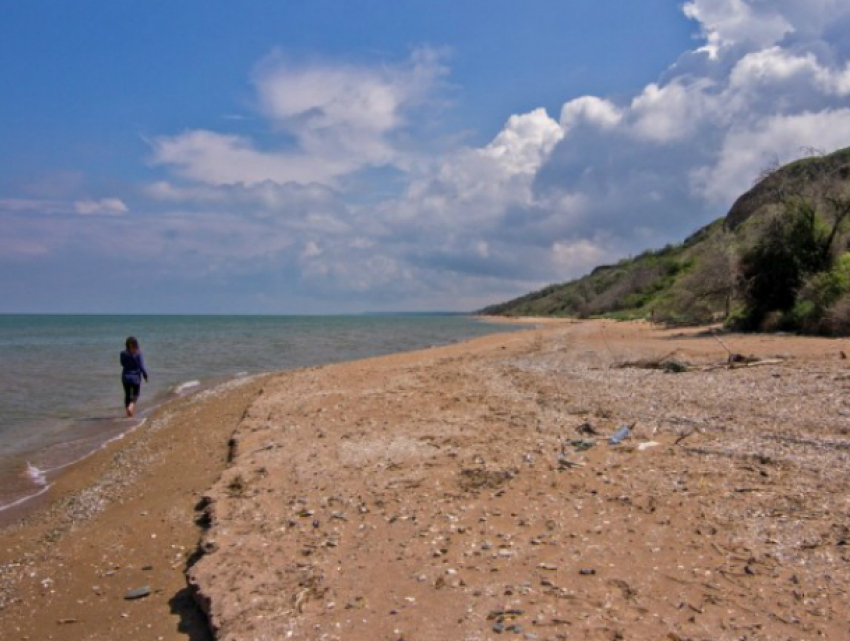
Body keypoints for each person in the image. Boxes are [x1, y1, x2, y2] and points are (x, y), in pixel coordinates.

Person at [120, 336, 149, 417]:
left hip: (125, 377)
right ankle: (131, 407)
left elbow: (122, 364)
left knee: (127, 395)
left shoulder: (123, 353)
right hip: (135, 377)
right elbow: (142, 366)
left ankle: (127, 413)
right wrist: (145, 375)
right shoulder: (138, 353)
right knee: (136, 394)